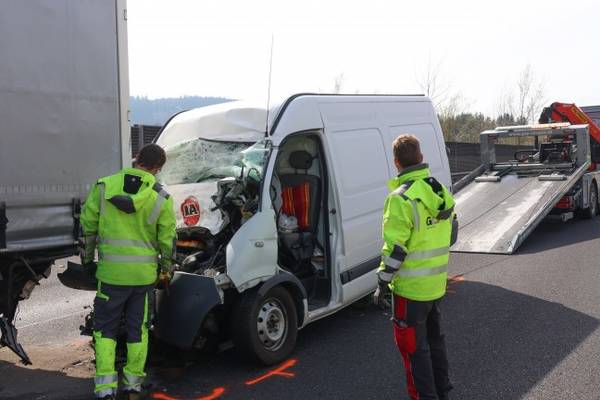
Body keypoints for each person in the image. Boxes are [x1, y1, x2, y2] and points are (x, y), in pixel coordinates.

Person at [80, 144, 176, 400]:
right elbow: (167, 240)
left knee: (105, 330)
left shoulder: (104, 186)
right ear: (157, 168)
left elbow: (87, 228)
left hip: (111, 276)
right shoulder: (161, 197)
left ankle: (105, 389)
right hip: (142, 279)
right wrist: (166, 270)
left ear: (136, 160)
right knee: (138, 330)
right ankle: (133, 385)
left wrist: (87, 261)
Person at [374, 135, 457, 400]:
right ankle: (442, 392)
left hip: (410, 291)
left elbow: (395, 251)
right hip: (436, 285)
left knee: (413, 350)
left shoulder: (399, 199)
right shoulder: (439, 191)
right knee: (435, 342)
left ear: (396, 163)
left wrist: (382, 282)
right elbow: (452, 234)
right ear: (421, 158)